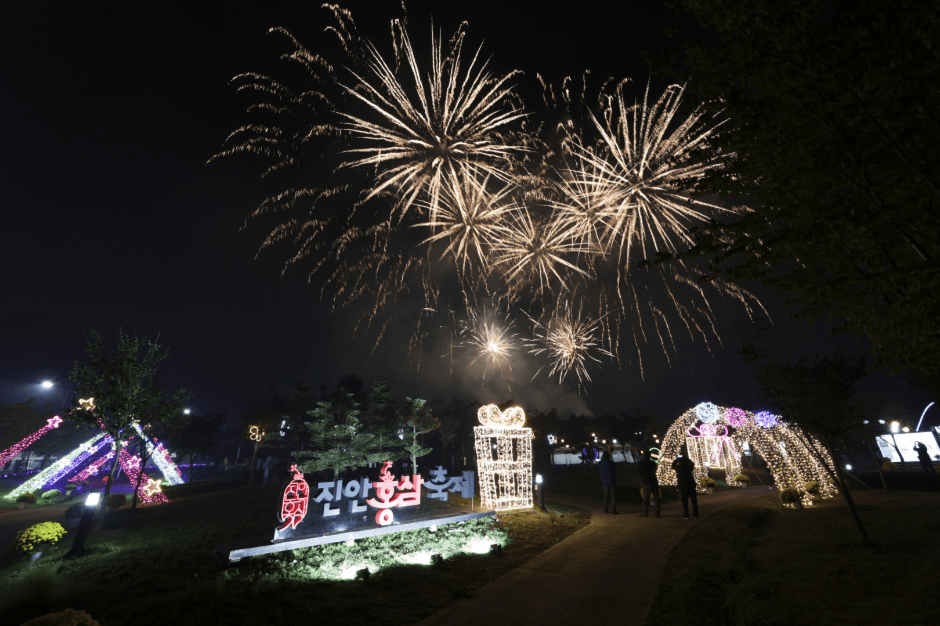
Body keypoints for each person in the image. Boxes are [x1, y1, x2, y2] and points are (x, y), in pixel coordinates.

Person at [671, 444, 699, 520]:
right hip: (691, 484)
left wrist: (676, 460)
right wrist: (687, 459)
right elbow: (692, 463)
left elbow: (672, 466)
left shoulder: (678, 468)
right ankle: (696, 515)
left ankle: (686, 515)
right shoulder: (689, 467)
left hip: (683, 486)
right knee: (694, 501)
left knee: (684, 501)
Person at [637, 449, 660, 517]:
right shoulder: (653, 463)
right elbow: (655, 470)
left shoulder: (642, 462)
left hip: (646, 481)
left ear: (644, 455)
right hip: (654, 480)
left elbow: (639, 471)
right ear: (650, 455)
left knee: (646, 498)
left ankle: (645, 512)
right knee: (656, 498)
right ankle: (657, 513)